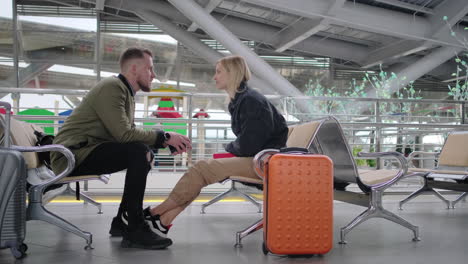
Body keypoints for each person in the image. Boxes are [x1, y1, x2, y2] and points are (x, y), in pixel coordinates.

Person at [50, 47, 192, 250]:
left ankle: (120, 222)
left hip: (83, 151)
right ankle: (134, 227)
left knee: (142, 151)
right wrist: (165, 137)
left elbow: (128, 134)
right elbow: (124, 134)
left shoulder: (124, 91)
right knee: (138, 152)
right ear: (134, 69)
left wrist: (161, 142)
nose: (154, 75)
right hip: (70, 157)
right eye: (150, 69)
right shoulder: (112, 87)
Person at [141, 55, 288, 240]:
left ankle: (156, 212)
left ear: (232, 73)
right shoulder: (242, 100)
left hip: (264, 162)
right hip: (259, 157)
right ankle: (164, 221)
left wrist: (228, 148)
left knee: (200, 169)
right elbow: (248, 143)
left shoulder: (251, 101)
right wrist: (230, 150)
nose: (214, 77)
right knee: (200, 172)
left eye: (219, 72)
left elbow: (249, 145)